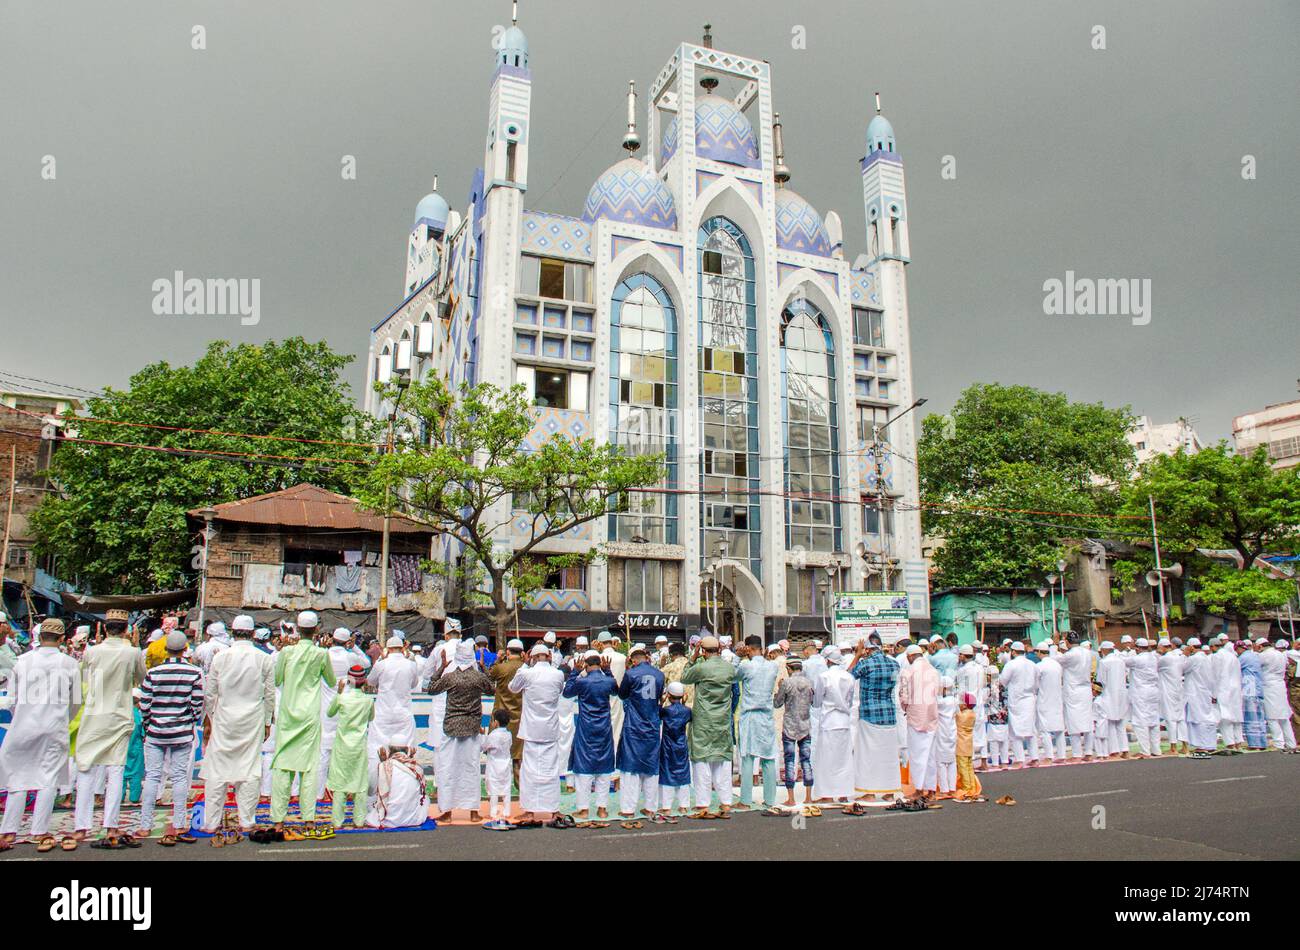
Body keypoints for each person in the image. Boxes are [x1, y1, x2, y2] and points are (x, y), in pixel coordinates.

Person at [0, 619, 81, 854]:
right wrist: (62, 720)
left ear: (39, 636)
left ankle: (9, 829)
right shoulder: (69, 663)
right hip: (54, 727)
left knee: (17, 777)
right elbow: (75, 702)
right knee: (48, 779)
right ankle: (38, 830)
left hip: (23, 726)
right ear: (62, 638)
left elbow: (12, 700)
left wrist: (23, 715)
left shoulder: (22, 662)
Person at [73, 608, 146, 849]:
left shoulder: (92, 652)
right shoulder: (133, 652)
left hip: (95, 716)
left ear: (105, 628)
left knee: (86, 768)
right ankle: (111, 825)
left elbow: (83, 681)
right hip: (120, 715)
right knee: (115, 771)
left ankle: (81, 827)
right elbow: (140, 680)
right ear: (126, 630)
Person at [201, 612, 276, 843]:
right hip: (252, 719)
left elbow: (210, 693)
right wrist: (266, 722)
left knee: (218, 769)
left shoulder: (221, 657)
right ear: (252, 634)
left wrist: (210, 719)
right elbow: (269, 694)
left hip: (224, 719)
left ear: (233, 633)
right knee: (249, 769)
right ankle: (247, 819)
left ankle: (211, 822)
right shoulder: (263, 658)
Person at [134, 629, 203, 845]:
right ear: (185, 650)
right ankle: (179, 822)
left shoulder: (153, 673)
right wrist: (189, 721)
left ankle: (145, 826)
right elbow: (197, 704)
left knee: (153, 777)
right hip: (182, 731)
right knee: (180, 777)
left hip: (155, 732)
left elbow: (144, 704)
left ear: (165, 649)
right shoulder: (194, 673)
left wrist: (148, 724)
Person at [271, 610, 334, 831]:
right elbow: (331, 680)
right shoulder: (321, 654)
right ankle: (309, 818)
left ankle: (278, 820)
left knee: (283, 767)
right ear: (316, 630)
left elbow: (277, 679)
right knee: (309, 769)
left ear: (297, 629)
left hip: (288, 715)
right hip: (309, 717)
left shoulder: (286, 653)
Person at [427, 639, 492, 822]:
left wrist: (441, 668)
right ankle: (473, 812)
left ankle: (447, 812)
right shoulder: (477, 678)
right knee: (471, 769)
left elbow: (431, 689)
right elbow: (491, 689)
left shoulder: (450, 677)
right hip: (471, 727)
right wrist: (483, 667)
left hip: (451, 727)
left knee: (448, 769)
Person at [680, 635, 737, 817]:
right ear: (719, 649)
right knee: (722, 761)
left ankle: (703, 803)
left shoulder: (701, 668)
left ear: (703, 651)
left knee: (702, 761)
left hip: (703, 719)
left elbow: (684, 677)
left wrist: (693, 657)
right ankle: (726, 802)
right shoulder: (729, 668)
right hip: (722, 719)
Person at [508, 643, 566, 822]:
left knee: (529, 772)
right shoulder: (558, 674)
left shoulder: (527, 673)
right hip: (549, 728)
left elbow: (513, 688)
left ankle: (530, 811)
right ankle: (553, 810)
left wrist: (525, 665)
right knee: (551, 770)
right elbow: (559, 691)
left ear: (532, 657)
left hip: (532, 729)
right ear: (549, 656)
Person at [563, 650, 616, 822]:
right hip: (604, 728)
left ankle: (584, 810)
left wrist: (575, 672)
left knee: (583, 769)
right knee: (604, 767)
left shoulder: (582, 682)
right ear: (601, 665)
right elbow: (616, 691)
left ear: (585, 665)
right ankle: (602, 809)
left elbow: (567, 693)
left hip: (586, 728)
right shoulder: (608, 680)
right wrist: (608, 671)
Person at [847, 637, 901, 802]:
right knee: (889, 755)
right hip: (889, 714)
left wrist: (857, 655)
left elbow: (847, 677)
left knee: (868, 755)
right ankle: (889, 791)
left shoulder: (865, 664)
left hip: (869, 713)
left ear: (868, 650)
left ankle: (869, 792)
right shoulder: (895, 664)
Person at [616, 643, 664, 821]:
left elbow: (622, 694)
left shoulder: (631, 673)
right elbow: (659, 696)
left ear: (633, 660)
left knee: (631, 767)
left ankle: (628, 808)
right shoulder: (659, 674)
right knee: (651, 766)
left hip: (634, 724)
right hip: (652, 723)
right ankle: (651, 807)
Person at [325, 665, 374, 829]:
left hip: (342, 745)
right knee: (359, 782)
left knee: (340, 782)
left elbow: (330, 713)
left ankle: (337, 821)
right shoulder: (368, 700)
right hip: (359, 745)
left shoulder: (342, 698)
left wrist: (338, 692)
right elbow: (371, 717)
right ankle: (359, 820)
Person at [734, 637, 778, 811]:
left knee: (747, 758)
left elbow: (732, 676)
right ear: (762, 648)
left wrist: (738, 656)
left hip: (750, 716)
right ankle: (770, 800)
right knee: (768, 758)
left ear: (748, 648)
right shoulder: (773, 666)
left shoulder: (746, 665)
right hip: (766, 716)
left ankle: (745, 800)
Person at [812, 646, 855, 802]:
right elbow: (850, 700)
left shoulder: (824, 677)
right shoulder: (849, 677)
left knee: (826, 759)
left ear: (828, 660)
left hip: (829, 721)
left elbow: (817, 702)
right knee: (844, 759)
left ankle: (827, 795)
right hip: (844, 721)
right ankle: (844, 793)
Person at [899, 643, 940, 800]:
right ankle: (931, 790)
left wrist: (906, 708)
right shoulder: (933, 671)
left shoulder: (908, 671)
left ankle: (918, 789)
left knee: (917, 755)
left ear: (910, 656)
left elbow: (903, 696)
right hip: (932, 715)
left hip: (916, 716)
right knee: (930, 755)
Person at [774, 655, 815, 807]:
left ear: (789, 668)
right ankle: (808, 796)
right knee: (806, 760)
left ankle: (791, 798)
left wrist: (779, 689)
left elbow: (777, 703)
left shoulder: (787, 683)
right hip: (805, 725)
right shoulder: (808, 682)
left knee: (790, 761)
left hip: (790, 726)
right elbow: (813, 701)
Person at [367, 636, 419, 753]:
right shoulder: (411, 665)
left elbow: (370, 681)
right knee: (406, 748)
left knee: (378, 748)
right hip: (403, 712)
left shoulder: (381, 664)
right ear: (402, 649)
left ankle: (380, 771)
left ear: (388, 649)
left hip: (383, 712)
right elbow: (414, 684)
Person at [489, 638, 526, 778]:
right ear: (522, 653)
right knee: (518, 760)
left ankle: (497, 793)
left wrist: (498, 659)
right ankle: (522, 793)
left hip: (500, 718)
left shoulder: (501, 667)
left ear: (508, 652)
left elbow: (489, 675)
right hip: (520, 719)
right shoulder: (526, 668)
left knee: (497, 759)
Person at [998, 642, 1039, 768]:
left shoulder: (1011, 664)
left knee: (1015, 731)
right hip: (1030, 699)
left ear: (1013, 652)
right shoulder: (1033, 665)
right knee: (1031, 729)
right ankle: (1035, 758)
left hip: (1017, 699)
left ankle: (1019, 759)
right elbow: (1037, 684)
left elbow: (1002, 681)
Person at [366, 745, 427, 828]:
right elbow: (421, 791)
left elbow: (371, 791)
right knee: (426, 799)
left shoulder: (384, 766)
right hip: (413, 819)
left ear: (390, 751)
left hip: (388, 820)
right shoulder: (416, 767)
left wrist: (382, 762)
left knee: (369, 802)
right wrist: (411, 758)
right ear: (407, 750)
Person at [658, 681, 692, 820]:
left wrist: (661, 702)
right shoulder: (687, 711)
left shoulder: (666, 711)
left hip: (667, 745)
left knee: (666, 773)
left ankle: (666, 806)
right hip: (681, 744)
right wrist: (684, 703)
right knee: (683, 772)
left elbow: (657, 714)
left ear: (669, 696)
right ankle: (683, 805)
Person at [1125, 638, 1163, 757]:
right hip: (1153, 690)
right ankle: (1156, 750)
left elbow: (1123, 661)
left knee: (1140, 721)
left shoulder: (1137, 659)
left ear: (1137, 648)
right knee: (1153, 721)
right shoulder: (1154, 657)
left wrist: (1129, 650)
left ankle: (1145, 751)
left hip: (1141, 692)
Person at [1257, 638, 1297, 751]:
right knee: (1284, 717)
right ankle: (1291, 743)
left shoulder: (1263, 655)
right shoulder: (1280, 655)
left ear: (1260, 646)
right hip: (1280, 686)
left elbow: (1257, 666)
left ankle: (1278, 743)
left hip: (1269, 686)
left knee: (1272, 717)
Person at [1182, 639, 1219, 757]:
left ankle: (1201, 745)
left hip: (1195, 692)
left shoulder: (1194, 658)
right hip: (1206, 691)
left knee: (1197, 719)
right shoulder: (1207, 658)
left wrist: (1184, 655)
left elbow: (1182, 668)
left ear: (1192, 647)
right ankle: (1210, 744)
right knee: (1207, 717)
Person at [1094, 641, 1129, 759]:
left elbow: (1101, 680)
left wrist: (1096, 692)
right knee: (1120, 723)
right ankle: (1125, 749)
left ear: (1104, 650)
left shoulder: (1104, 662)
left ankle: (1114, 750)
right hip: (1122, 694)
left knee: (1110, 723)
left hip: (1109, 694)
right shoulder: (1121, 661)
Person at [1156, 637, 1189, 755]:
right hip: (1179, 691)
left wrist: (1158, 654)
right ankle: (1185, 747)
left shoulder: (1165, 659)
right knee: (1181, 719)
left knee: (1170, 719)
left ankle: (1173, 747)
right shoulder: (1179, 658)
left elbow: (1155, 667)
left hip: (1168, 692)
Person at [1034, 641, 1066, 762]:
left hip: (1044, 699)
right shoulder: (1057, 665)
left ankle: (1049, 756)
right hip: (1057, 699)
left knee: (1044, 729)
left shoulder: (1040, 666)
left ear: (1039, 652)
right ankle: (1062, 755)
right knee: (1059, 728)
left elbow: (1035, 684)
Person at [1211, 635, 1244, 752]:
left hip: (1223, 689)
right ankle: (1238, 742)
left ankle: (1230, 743)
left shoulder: (1216, 657)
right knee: (1236, 716)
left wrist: (1213, 694)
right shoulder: (1233, 656)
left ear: (1213, 646)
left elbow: (1215, 676)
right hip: (1236, 688)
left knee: (1225, 717)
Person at [482, 709, 514, 822]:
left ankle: (493, 812)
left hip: (494, 765)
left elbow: (484, 746)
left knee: (494, 789)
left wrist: (483, 735)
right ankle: (507, 811)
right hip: (505, 764)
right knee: (506, 788)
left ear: (495, 722)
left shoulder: (493, 735)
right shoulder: (509, 734)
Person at [953, 692, 984, 801]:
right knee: (970, 767)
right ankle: (973, 787)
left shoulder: (962, 715)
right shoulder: (972, 714)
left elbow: (954, 714)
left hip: (961, 746)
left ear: (965, 705)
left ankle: (966, 789)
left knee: (963, 768)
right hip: (969, 745)